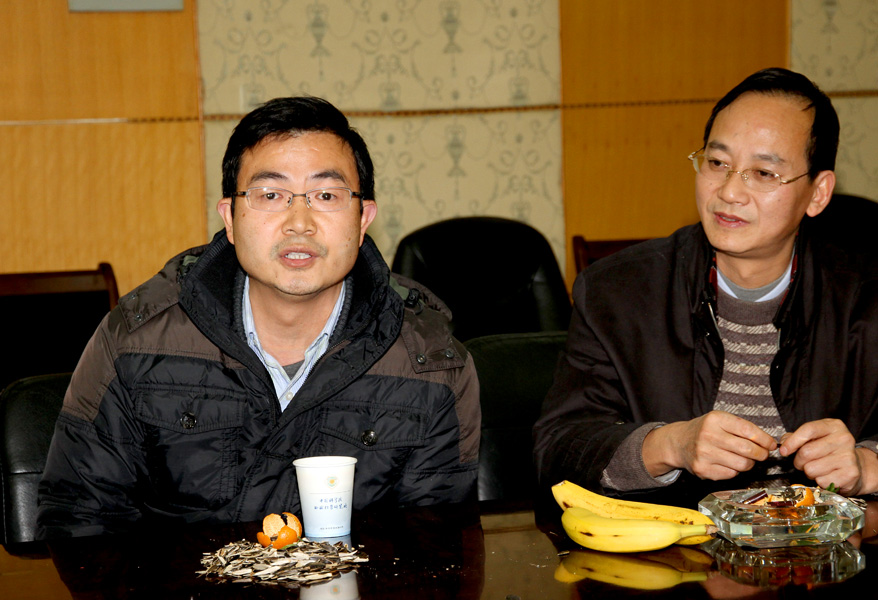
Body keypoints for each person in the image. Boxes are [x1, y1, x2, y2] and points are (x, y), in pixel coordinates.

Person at [37, 97, 480, 538]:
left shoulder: (431, 364)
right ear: (230, 218)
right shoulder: (137, 340)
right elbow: (81, 525)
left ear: (363, 219)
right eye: (271, 196)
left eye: (326, 195)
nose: (299, 223)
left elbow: (435, 548)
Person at [533, 68, 878, 500]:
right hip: (676, 541)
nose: (730, 191)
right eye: (718, 163)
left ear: (818, 193)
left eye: (763, 173)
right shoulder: (617, 293)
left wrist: (867, 466)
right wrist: (670, 445)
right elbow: (556, 449)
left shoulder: (866, 298)